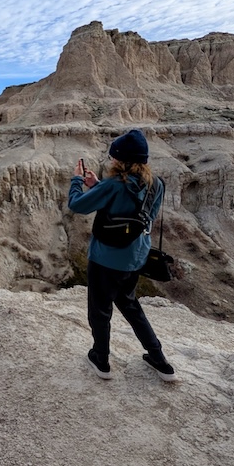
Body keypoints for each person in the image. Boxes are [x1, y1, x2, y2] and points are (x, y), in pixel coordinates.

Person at [67, 129, 177, 382]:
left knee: (100, 310)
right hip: (136, 256)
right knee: (130, 305)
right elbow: (145, 215)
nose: (111, 160)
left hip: (105, 258)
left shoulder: (115, 184)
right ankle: (160, 361)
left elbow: (77, 205)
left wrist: (77, 182)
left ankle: (101, 359)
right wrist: (98, 187)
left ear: (120, 160)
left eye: (114, 157)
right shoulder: (156, 184)